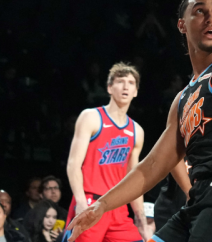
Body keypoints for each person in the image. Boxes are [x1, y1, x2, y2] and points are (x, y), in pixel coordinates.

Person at [67, 0, 212, 242]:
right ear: (182, 25)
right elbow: (153, 165)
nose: (210, 17)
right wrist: (102, 205)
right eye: (200, 11)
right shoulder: (182, 99)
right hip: (198, 198)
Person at [65, 62, 152, 242]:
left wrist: (141, 220)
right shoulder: (91, 117)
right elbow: (73, 164)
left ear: (136, 91)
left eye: (131, 83)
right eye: (120, 81)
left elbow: (134, 179)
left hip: (118, 207)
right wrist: (81, 202)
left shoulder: (137, 131)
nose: (126, 87)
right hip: (91, 202)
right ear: (109, 88)